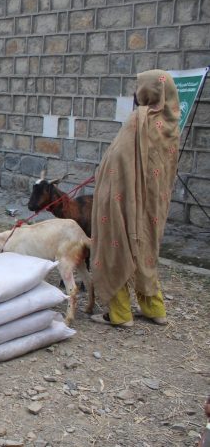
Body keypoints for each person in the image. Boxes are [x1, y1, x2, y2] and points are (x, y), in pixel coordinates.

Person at [89, 69, 180, 327]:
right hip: (154, 203)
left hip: (124, 198)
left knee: (116, 244)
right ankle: (155, 308)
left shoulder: (138, 120)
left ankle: (120, 314)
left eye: (139, 86)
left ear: (148, 90)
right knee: (146, 247)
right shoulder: (171, 123)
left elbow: (117, 158)